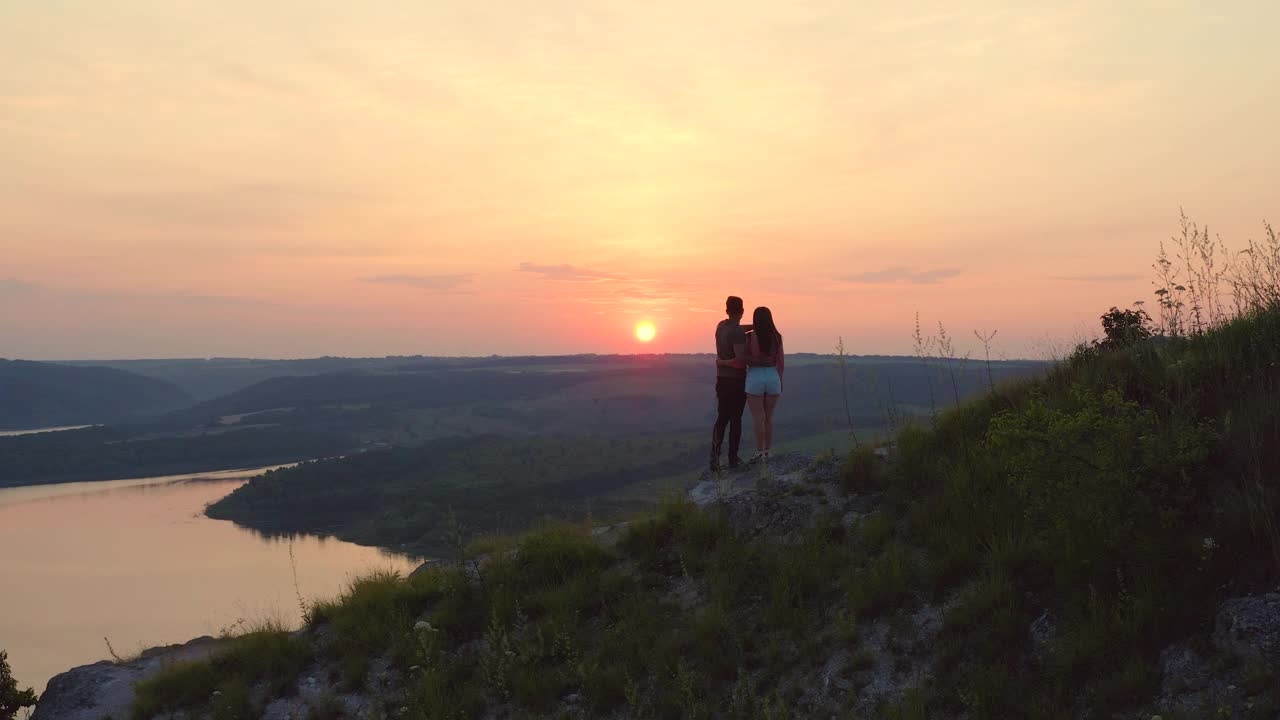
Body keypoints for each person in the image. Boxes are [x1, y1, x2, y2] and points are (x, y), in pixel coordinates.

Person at [742, 306, 783, 462]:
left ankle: (759, 452)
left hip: (755, 376)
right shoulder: (777, 337)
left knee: (758, 418)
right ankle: (768, 451)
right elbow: (781, 362)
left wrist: (754, 326)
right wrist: (781, 380)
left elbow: (744, 357)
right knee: (768, 418)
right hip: (773, 376)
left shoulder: (749, 337)